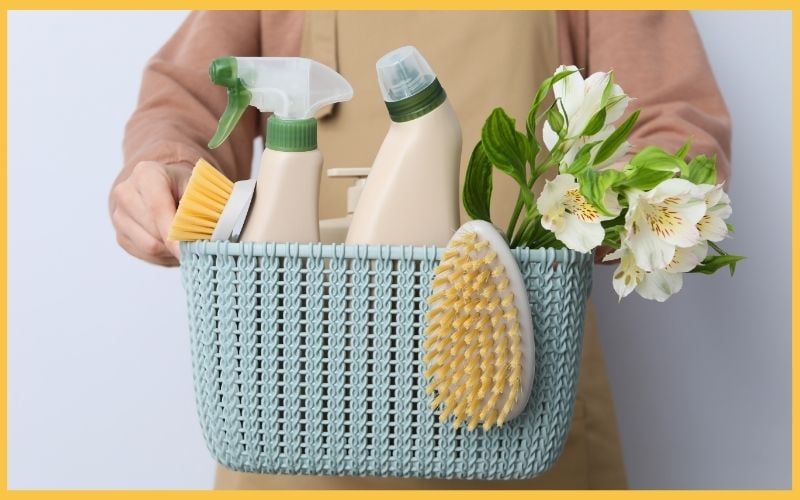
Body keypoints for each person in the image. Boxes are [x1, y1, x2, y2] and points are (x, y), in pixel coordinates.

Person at [110, 10, 731, 490]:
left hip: (522, 386)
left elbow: (672, 126)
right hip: (295, 403)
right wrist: (164, 172)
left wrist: (619, 202)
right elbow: (188, 98)